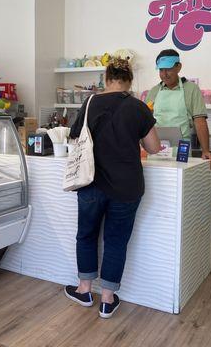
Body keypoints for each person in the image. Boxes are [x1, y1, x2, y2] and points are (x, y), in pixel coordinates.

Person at [64, 58, 161, 319]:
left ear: (106, 79)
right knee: (116, 241)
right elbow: (153, 148)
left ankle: (84, 289)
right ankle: (107, 300)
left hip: (90, 183)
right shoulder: (138, 107)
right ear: (129, 81)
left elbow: (75, 137)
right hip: (127, 186)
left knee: (86, 235)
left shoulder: (90, 103)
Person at [145, 49, 211, 168]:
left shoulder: (191, 89)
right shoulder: (154, 91)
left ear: (178, 67)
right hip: (157, 148)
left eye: (168, 69)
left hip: (181, 148)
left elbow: (199, 121)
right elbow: (145, 122)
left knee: (180, 182)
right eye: (161, 70)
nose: (164, 74)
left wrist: (206, 150)